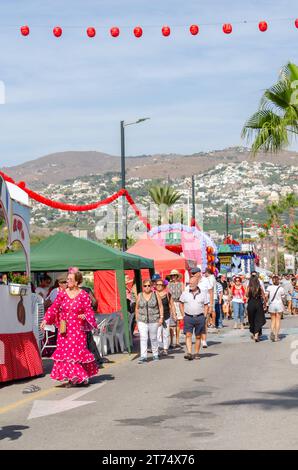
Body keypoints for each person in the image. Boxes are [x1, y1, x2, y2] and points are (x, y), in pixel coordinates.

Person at [40, 270, 99, 386]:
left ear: (77, 282)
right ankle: (74, 378)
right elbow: (54, 308)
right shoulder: (62, 294)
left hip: (78, 329)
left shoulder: (83, 295)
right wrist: (45, 319)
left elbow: (89, 310)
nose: (68, 281)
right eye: (67, 279)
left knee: (76, 353)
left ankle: (79, 377)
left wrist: (85, 316)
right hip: (65, 329)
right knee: (66, 353)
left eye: (70, 280)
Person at [179, 276, 209, 360]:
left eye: (192, 283)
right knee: (188, 334)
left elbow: (206, 305)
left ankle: (196, 353)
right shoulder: (185, 293)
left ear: (197, 283)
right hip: (188, 317)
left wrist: (205, 316)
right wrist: (183, 315)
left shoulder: (203, 293)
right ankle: (189, 352)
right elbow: (180, 303)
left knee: (198, 336)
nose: (190, 285)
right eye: (189, 283)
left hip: (200, 317)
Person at [135, 279, 164, 363]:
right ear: (143, 287)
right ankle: (143, 356)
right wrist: (137, 319)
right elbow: (137, 308)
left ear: (151, 286)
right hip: (142, 320)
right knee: (143, 338)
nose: (147, 287)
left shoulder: (155, 294)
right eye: (145, 286)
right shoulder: (140, 295)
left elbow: (160, 306)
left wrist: (161, 317)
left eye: (149, 285)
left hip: (154, 320)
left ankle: (155, 354)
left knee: (153, 338)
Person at [190, 267, 212, 348]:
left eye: (194, 273)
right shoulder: (191, 281)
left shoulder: (206, 280)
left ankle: (204, 340)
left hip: (205, 304)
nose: (192, 275)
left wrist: (211, 305)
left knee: (204, 322)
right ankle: (198, 338)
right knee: (196, 322)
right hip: (195, 305)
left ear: (199, 273)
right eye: (192, 274)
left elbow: (211, 292)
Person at [155, 279, 176, 356]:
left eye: (160, 285)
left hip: (166, 316)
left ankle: (165, 349)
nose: (158, 286)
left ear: (163, 286)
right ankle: (158, 348)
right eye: (157, 284)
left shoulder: (168, 294)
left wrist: (174, 315)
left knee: (166, 333)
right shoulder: (154, 294)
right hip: (156, 317)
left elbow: (172, 305)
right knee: (157, 334)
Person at [246, 275, 266, 342]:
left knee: (252, 320)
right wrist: (265, 304)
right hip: (258, 303)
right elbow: (263, 296)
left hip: (251, 303)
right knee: (259, 319)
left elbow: (246, 295)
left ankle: (254, 334)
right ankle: (257, 335)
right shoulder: (259, 287)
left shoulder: (249, 287)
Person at [266, 275, 286, 342]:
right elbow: (283, 297)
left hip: (271, 304)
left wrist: (267, 302)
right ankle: (276, 336)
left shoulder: (269, 287)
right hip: (279, 304)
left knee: (273, 320)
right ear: (278, 281)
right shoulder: (281, 288)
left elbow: (266, 296)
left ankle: (272, 332)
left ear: (272, 281)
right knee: (278, 320)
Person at [168, 269, 184, 348]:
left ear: (177, 276)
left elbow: (183, 294)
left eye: (174, 275)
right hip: (171, 304)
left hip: (178, 303)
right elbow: (168, 295)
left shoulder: (181, 284)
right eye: (172, 275)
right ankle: (171, 342)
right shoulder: (169, 284)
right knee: (171, 324)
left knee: (177, 322)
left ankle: (177, 341)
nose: (173, 277)